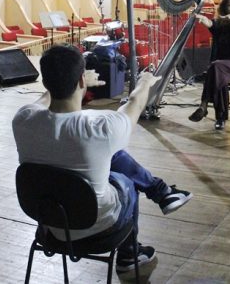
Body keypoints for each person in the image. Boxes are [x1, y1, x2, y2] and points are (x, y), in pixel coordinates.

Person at [12, 44, 193, 277]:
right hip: (99, 227)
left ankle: (162, 192)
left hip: (50, 224)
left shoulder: (22, 119)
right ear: (81, 81)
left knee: (109, 154)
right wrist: (145, 82)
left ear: (45, 83)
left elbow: (41, 101)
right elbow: (135, 103)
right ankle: (129, 254)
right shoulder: (101, 128)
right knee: (125, 182)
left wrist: (66, 81)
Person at [189, 0, 230, 130]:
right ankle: (220, 118)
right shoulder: (221, 24)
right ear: (224, 7)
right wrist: (203, 19)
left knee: (215, 68)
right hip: (219, 66)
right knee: (217, 73)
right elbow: (212, 24)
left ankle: (204, 105)